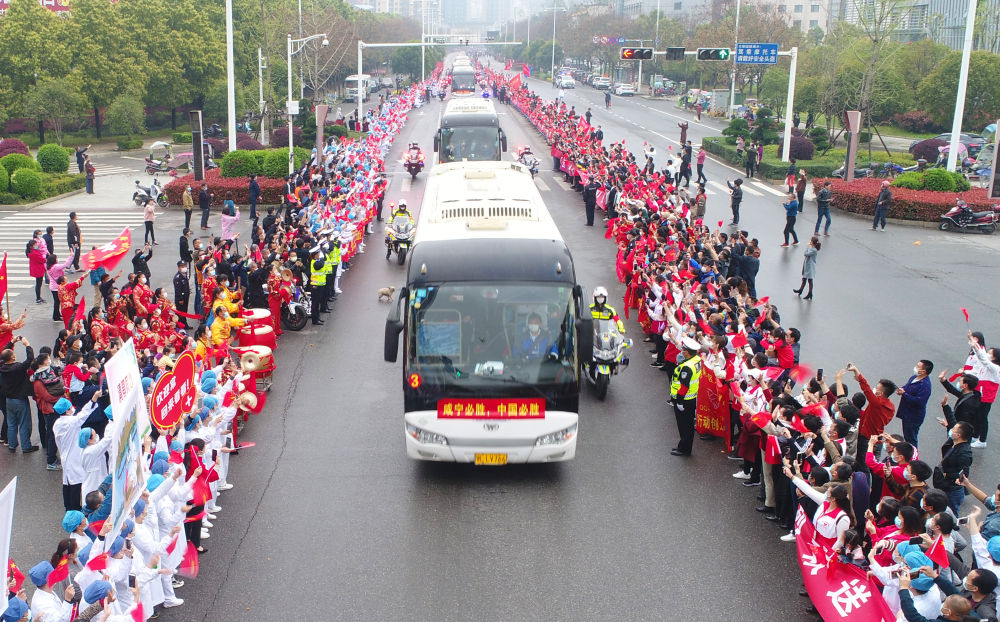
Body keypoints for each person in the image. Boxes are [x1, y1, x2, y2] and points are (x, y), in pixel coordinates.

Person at [2, 337, 36, 454]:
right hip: (20, 399)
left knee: (11, 423)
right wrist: (27, 345)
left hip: (8, 400)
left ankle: (12, 445)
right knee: (23, 423)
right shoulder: (18, 368)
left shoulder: (2, 366)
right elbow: (30, 359)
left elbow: (3, 355)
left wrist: (11, 342)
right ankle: (26, 446)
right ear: (12, 357)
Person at [670, 337, 702, 457]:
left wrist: (679, 401)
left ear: (687, 352)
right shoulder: (697, 359)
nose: (682, 350)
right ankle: (683, 446)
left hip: (684, 400)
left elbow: (684, 386)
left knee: (684, 426)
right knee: (687, 425)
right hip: (691, 398)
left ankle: (684, 448)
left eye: (683, 349)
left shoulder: (687, 367)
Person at [896, 360, 933, 447]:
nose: (915, 368)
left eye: (918, 366)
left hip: (913, 416)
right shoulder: (914, 378)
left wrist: (904, 394)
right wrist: (901, 389)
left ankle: (913, 457)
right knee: (907, 436)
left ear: (923, 371)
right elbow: (906, 387)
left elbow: (919, 402)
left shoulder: (925, 385)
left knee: (911, 440)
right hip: (906, 413)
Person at [173, 261, 191, 328]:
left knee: (184, 311)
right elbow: (178, 290)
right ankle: (179, 326)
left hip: (185, 297)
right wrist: (180, 299)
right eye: (182, 266)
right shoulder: (177, 277)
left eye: (185, 266)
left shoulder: (184, 275)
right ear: (179, 268)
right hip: (181, 298)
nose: (184, 268)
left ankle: (184, 324)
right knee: (180, 312)